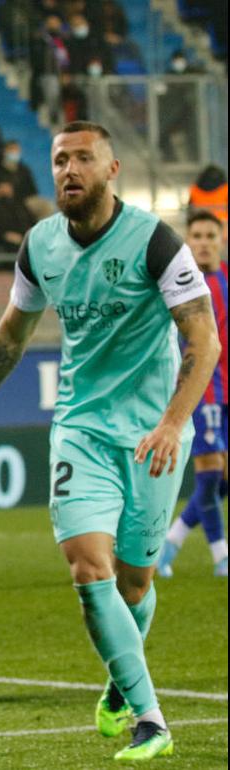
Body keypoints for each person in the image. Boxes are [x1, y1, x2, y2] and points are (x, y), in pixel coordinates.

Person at [0, 121, 221, 762]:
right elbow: (10, 335)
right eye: (60, 159)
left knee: (135, 584)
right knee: (89, 570)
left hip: (152, 437)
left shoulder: (155, 242)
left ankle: (121, 686)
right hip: (80, 431)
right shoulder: (39, 246)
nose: (69, 169)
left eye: (83, 158)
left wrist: (174, 422)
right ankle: (151, 718)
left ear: (112, 169)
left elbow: (205, 342)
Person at [157, 208, 228, 577]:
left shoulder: (226, 278)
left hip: (228, 390)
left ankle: (171, 542)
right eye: (196, 236)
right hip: (205, 389)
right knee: (210, 475)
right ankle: (221, 556)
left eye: (209, 236)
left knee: (221, 479)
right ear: (188, 240)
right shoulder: (182, 283)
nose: (203, 243)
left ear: (222, 239)